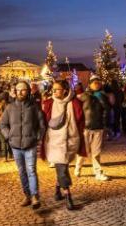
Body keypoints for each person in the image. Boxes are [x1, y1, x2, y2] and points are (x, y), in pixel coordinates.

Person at [0, 80, 46, 209]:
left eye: (23, 89)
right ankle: (27, 195)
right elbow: (3, 124)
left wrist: (37, 137)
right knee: (22, 172)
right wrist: (8, 136)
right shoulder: (10, 107)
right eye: (18, 89)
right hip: (15, 145)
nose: (20, 92)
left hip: (29, 144)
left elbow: (42, 124)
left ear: (28, 91)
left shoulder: (34, 107)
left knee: (31, 170)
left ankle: (35, 196)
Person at [41, 80, 86, 210]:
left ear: (65, 90)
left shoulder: (75, 103)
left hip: (71, 139)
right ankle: (68, 197)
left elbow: (81, 119)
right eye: (53, 89)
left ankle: (57, 191)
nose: (54, 91)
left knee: (62, 166)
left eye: (57, 89)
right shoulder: (49, 103)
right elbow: (44, 121)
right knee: (62, 167)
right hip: (54, 141)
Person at [75, 75, 111, 181]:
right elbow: (76, 108)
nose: (96, 84)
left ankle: (98, 172)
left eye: (98, 82)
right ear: (90, 84)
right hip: (86, 128)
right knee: (83, 151)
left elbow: (107, 111)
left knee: (96, 152)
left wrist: (105, 125)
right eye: (94, 82)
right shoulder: (84, 96)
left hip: (98, 128)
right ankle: (78, 167)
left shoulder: (103, 96)